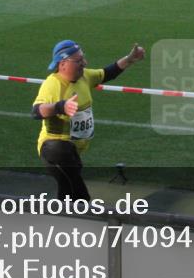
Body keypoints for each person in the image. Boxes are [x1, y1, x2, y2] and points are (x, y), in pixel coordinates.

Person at [32, 39, 145, 202]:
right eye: (79, 61)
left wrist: (129, 59)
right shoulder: (53, 85)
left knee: (67, 191)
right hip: (55, 150)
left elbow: (107, 73)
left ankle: (63, 219)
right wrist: (60, 106)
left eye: (83, 58)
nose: (84, 63)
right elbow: (36, 111)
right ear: (63, 64)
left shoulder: (83, 76)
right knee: (78, 194)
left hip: (71, 150)